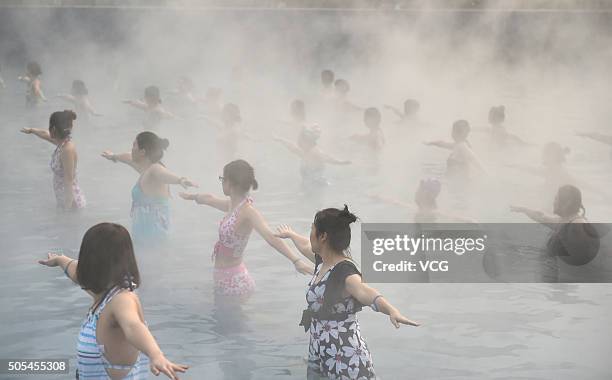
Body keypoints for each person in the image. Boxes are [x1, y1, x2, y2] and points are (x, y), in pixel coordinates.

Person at [275, 205, 420, 379]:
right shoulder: (322, 261)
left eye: (312, 230)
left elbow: (366, 292)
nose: (309, 235)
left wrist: (391, 310)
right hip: (320, 351)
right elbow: (305, 245)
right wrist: (291, 235)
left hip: (346, 358)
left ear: (323, 237)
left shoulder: (344, 272)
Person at [38, 222, 189, 379]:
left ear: (91, 259)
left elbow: (132, 326)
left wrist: (156, 354)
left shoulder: (121, 300)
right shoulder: (102, 292)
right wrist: (59, 260)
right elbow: (76, 271)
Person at [179, 159, 313, 298]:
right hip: (224, 278)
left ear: (229, 183)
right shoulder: (233, 206)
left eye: (222, 179)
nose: (221, 182)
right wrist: (192, 196)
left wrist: (296, 260)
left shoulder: (248, 212)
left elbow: (270, 236)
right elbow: (209, 199)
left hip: (235, 282)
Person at [101, 132, 197, 242]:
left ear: (142, 152)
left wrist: (180, 180)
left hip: (155, 235)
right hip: (144, 231)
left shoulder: (155, 169)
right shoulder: (144, 166)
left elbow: (164, 174)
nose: (131, 149)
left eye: (134, 145)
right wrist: (113, 156)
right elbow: (127, 157)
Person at [21, 110, 86, 210]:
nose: (48, 128)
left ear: (54, 129)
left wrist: (66, 211)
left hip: (72, 204)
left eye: (49, 125)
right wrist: (31, 130)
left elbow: (69, 181)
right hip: (63, 199)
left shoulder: (67, 150)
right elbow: (45, 134)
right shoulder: (62, 143)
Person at [369, 179, 476, 223]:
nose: (416, 192)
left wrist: (469, 221)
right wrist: (380, 198)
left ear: (427, 194)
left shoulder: (431, 212)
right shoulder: (419, 209)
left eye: (419, 190)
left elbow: (451, 216)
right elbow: (397, 203)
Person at [274, 125, 350, 186]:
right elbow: (292, 147)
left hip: (317, 187)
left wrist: (341, 162)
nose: (298, 142)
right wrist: (280, 139)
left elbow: (328, 158)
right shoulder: (305, 152)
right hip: (308, 186)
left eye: (300, 139)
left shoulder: (315, 153)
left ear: (307, 141)